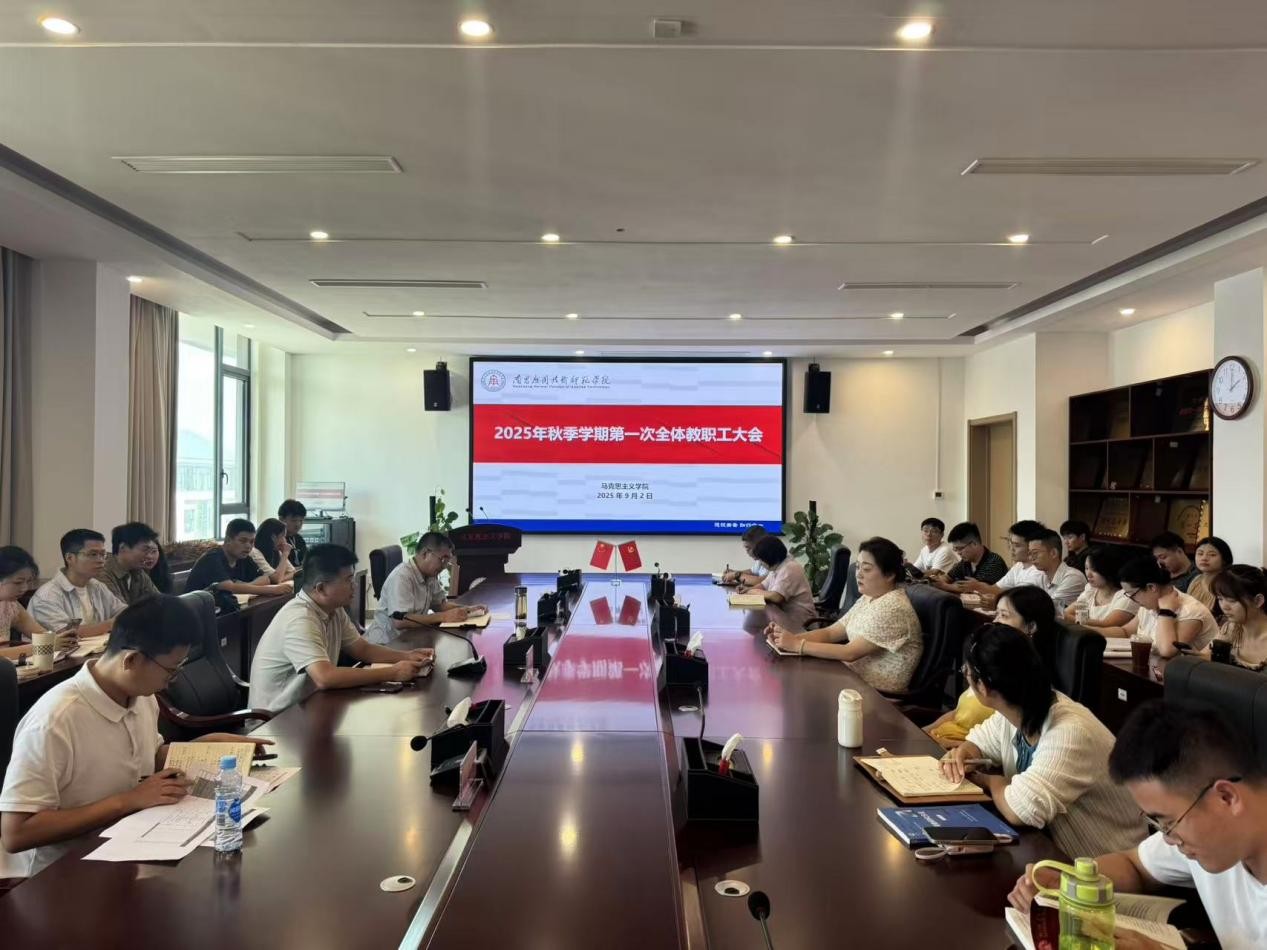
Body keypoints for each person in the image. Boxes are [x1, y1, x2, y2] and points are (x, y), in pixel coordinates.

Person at [0, 595, 271, 877]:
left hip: (129, 849)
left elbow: (146, 757)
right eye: (171, 671)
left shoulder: (141, 697)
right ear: (131, 660)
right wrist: (128, 800)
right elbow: (16, 833)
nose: (172, 681)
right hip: (63, 873)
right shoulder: (54, 721)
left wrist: (207, 745)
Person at [1009, 701, 1267, 950]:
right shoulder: (1215, 834)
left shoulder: (1211, 837)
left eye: (1169, 823)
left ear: (1226, 798)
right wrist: (1070, 881)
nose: (1168, 839)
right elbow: (1134, 864)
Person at [940, 623, 1146, 859]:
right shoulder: (1017, 707)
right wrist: (965, 754)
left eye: (966, 670)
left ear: (982, 687)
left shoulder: (1071, 732)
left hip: (1106, 865)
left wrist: (990, 781)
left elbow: (1022, 810)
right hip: (1049, 854)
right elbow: (979, 742)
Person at [248, 544, 434, 711]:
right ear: (321, 588)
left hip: (309, 706)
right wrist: (393, 672)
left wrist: (406, 656)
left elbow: (361, 649)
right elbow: (325, 677)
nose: (354, 585)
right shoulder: (300, 618)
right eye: (348, 580)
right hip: (274, 721)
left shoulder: (333, 609)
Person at [767, 537, 922, 691]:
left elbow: (850, 652)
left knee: (793, 685)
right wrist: (788, 639)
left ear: (889, 574)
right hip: (851, 677)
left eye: (866, 569)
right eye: (858, 567)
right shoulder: (869, 597)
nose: (858, 574)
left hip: (875, 695)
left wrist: (797, 645)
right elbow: (830, 633)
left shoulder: (894, 607)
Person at [926, 585, 1059, 749]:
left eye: (1004, 615)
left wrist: (944, 744)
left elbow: (998, 747)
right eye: (996, 614)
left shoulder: (1022, 684)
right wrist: (925, 732)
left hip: (960, 751)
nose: (995, 622)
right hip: (941, 741)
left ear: (1031, 627)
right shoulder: (992, 663)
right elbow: (958, 713)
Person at [368, 531, 488, 645]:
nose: (444, 566)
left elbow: (440, 605)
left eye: (447, 561)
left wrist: (466, 609)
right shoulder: (402, 577)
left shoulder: (429, 575)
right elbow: (401, 621)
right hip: (385, 644)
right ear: (425, 554)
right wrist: (444, 617)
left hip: (410, 638)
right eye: (442, 559)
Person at [1100, 557, 1219, 656]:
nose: (1132, 600)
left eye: (1132, 594)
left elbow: (1167, 651)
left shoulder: (1191, 611)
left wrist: (1166, 612)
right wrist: (1091, 631)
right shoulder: (1149, 604)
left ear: (1151, 587)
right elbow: (1126, 632)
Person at [29, 529, 126, 638]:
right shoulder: (47, 595)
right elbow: (68, 633)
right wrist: (111, 624)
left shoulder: (97, 586)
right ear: (70, 558)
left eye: (103, 554)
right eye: (93, 554)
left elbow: (123, 611)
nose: (100, 560)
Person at [184, 519, 293, 597]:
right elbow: (228, 587)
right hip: (195, 613)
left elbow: (265, 579)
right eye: (243, 541)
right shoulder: (212, 558)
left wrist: (244, 587)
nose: (248, 546)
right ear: (228, 540)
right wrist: (272, 590)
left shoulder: (244, 557)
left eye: (251, 542)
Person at [960, 519, 1049, 605]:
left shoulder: (1038, 573)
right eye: (1011, 543)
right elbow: (996, 589)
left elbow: (1018, 602)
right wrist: (977, 586)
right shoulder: (1019, 566)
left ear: (1033, 546)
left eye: (1017, 545)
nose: (1011, 549)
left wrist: (979, 587)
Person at [741, 535, 818, 633]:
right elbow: (764, 585)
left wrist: (753, 592)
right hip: (787, 617)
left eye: (761, 560)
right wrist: (747, 590)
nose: (761, 564)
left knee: (765, 607)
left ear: (769, 558)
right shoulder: (778, 566)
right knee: (760, 609)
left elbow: (776, 597)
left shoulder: (790, 568)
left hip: (802, 624)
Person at [1063, 544, 1137, 629]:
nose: (1088, 574)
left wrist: (1067, 617)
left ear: (1108, 570)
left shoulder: (1126, 596)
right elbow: (1081, 618)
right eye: (1086, 568)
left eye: (1094, 570)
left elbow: (1106, 625)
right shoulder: (1090, 590)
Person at [1210, 565, 1267, 671]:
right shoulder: (1231, 628)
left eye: (1232, 600)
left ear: (1258, 601)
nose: (1224, 607)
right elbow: (1208, 656)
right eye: (1220, 599)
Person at [0, 547, 51, 662]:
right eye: (18, 582)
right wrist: (44, 646)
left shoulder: (10, 604)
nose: (24, 588)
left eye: (28, 581)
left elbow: (39, 633)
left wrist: (59, 639)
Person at [926, 522, 1008, 593]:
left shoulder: (994, 561)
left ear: (974, 544)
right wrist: (938, 580)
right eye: (955, 549)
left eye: (960, 548)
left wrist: (945, 586)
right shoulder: (966, 561)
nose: (958, 553)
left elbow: (976, 589)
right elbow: (948, 577)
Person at [100, 522, 161, 606]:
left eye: (153, 551)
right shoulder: (102, 572)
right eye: (145, 550)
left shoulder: (138, 571)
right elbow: (119, 611)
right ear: (122, 547)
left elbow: (159, 601)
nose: (150, 556)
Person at [1025, 531, 1086, 611]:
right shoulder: (1039, 575)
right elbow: (1023, 600)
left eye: (1035, 553)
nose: (1031, 558)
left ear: (1053, 553)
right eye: (1029, 553)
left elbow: (1048, 610)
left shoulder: (1073, 577)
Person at [1186, 535, 1234, 616]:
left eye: (1212, 555)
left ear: (1224, 559)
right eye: (1200, 554)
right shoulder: (1196, 580)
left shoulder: (1228, 584)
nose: (1204, 558)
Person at [250, 518, 298, 585]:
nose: (285, 541)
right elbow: (276, 579)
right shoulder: (255, 552)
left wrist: (280, 579)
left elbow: (293, 573)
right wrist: (285, 554)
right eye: (283, 536)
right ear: (273, 537)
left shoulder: (277, 552)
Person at [277, 499, 309, 567]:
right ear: (281, 519)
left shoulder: (299, 539)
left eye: (301, 520)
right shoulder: (276, 540)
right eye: (294, 520)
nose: (298, 524)